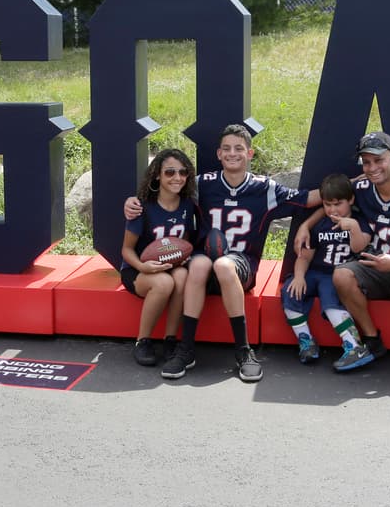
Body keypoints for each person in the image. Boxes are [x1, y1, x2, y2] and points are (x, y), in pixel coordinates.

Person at [128, 125, 320, 382]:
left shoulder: (265, 189)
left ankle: (244, 350)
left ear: (250, 153)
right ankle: (186, 348)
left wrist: (351, 187)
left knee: (224, 266)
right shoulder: (202, 185)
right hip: (205, 262)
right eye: (227, 148)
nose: (233, 153)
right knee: (197, 265)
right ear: (218, 153)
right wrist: (131, 201)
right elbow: (167, 191)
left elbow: (306, 199)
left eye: (239, 148)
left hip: (241, 265)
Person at [296, 132, 390, 382]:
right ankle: (372, 339)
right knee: (341, 274)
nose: (372, 168)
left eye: (378, 160)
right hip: (372, 264)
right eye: (366, 162)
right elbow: (333, 201)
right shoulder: (361, 188)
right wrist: (306, 225)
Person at [283, 173, 374, 369]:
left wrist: (354, 228)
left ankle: (353, 345)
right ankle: (305, 340)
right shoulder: (320, 224)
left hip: (339, 274)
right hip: (316, 271)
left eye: (337, 204)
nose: (332, 209)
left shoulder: (359, 221)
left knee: (328, 294)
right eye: (327, 204)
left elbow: (359, 247)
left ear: (350, 200)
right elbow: (305, 256)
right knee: (289, 289)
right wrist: (299, 276)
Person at [120, 148, 200, 368]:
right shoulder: (141, 205)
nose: (177, 177)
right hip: (137, 269)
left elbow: (182, 241)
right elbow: (126, 250)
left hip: (167, 265)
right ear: (157, 174)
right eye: (170, 172)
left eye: (183, 172)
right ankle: (143, 341)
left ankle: (170, 340)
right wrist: (143, 267)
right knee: (164, 283)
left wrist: (181, 258)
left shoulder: (187, 204)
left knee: (183, 276)